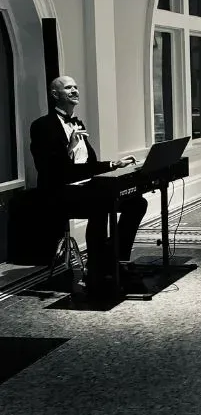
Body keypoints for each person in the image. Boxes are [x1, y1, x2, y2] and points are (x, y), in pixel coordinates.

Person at [29, 76, 147, 298]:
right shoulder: (41, 126)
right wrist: (69, 147)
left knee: (137, 202)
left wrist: (114, 164)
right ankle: (96, 269)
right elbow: (50, 170)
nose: (74, 90)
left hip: (84, 187)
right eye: (68, 87)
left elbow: (88, 166)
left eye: (75, 86)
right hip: (57, 192)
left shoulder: (78, 123)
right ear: (55, 94)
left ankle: (117, 258)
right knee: (101, 204)